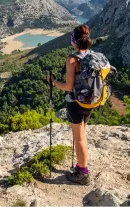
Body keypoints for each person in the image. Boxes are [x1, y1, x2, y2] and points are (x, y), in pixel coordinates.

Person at [47, 24, 93, 185]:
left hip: (76, 102)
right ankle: (80, 163)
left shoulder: (72, 59)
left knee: (79, 137)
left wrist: (53, 82)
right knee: (82, 134)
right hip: (91, 102)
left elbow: (68, 86)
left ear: (74, 41)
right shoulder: (92, 55)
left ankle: (83, 173)